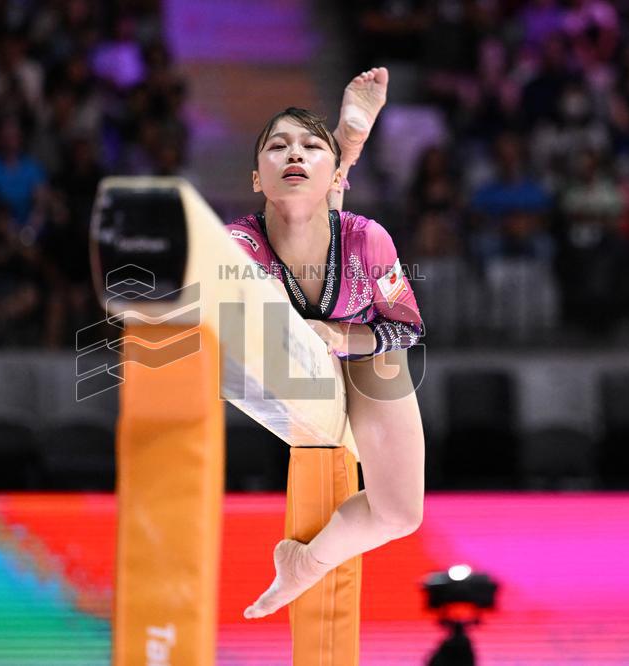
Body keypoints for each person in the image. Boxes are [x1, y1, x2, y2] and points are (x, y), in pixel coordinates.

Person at [226, 68, 427, 620]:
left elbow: (407, 328)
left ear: (336, 172)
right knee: (308, 215)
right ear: (253, 178)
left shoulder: (369, 240)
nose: (293, 152)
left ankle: (303, 568)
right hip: (299, 325)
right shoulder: (240, 243)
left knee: (402, 512)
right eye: (277, 146)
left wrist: (339, 336)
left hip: (365, 341)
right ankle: (346, 139)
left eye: (312, 146)